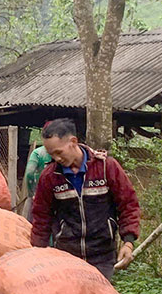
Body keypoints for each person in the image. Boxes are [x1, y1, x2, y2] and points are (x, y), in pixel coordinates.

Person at [29, 118, 140, 280]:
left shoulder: (106, 168)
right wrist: (37, 252)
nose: (56, 158)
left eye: (59, 152)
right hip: (66, 256)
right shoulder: (50, 177)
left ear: (73, 141)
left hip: (102, 256)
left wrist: (128, 242)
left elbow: (128, 204)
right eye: (51, 154)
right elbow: (41, 216)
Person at [20, 133, 52, 221]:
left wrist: (31, 193)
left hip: (38, 195)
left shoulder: (38, 153)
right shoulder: (64, 153)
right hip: (56, 196)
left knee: (30, 222)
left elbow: (29, 174)